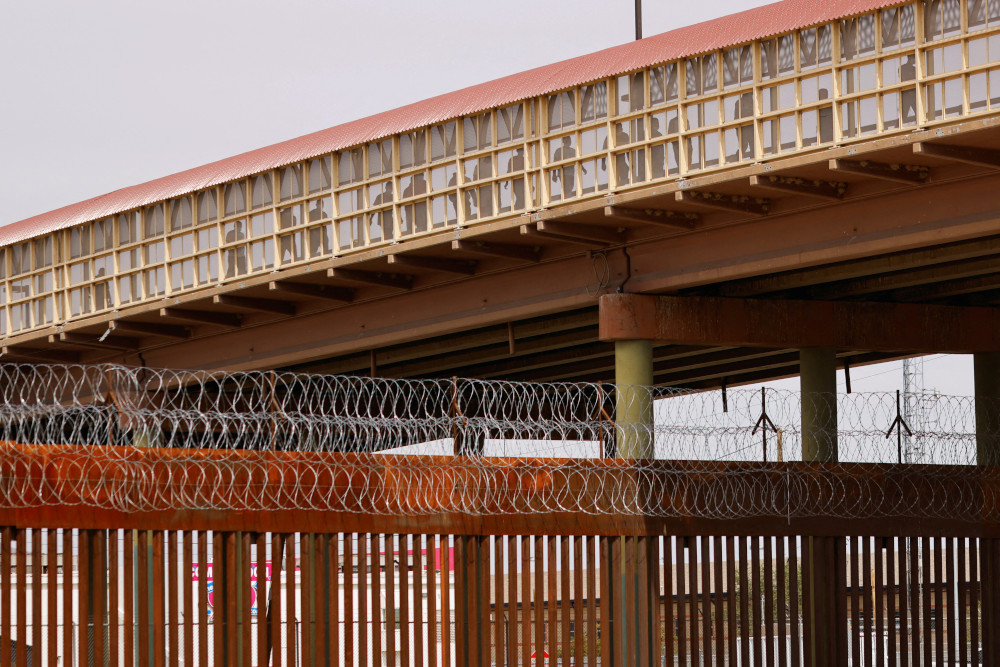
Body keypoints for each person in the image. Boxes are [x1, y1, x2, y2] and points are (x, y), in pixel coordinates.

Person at [900, 55, 917, 124]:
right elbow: (903, 80)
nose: (915, 61)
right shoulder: (902, 68)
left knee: (918, 113)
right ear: (910, 58)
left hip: (912, 94)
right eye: (914, 59)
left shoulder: (914, 68)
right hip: (907, 95)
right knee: (904, 115)